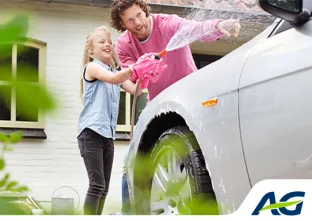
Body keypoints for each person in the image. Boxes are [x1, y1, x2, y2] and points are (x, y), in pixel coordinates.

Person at [109, 0, 241, 215]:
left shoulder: (166, 23)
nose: (138, 22)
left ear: (144, 10)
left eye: (139, 15)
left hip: (191, 94)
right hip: (158, 102)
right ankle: (130, 212)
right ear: (123, 24)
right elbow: (133, 86)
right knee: (132, 159)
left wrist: (218, 25)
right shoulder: (125, 44)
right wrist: (139, 70)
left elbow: (193, 29)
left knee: (200, 147)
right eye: (130, 20)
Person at [77, 25, 167, 215]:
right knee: (96, 185)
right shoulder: (92, 67)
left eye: (110, 42)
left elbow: (136, 90)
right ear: (91, 50)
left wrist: (146, 74)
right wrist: (135, 68)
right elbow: (114, 79)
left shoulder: (114, 70)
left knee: (104, 188)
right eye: (102, 42)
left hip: (107, 136)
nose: (108, 44)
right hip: (90, 134)